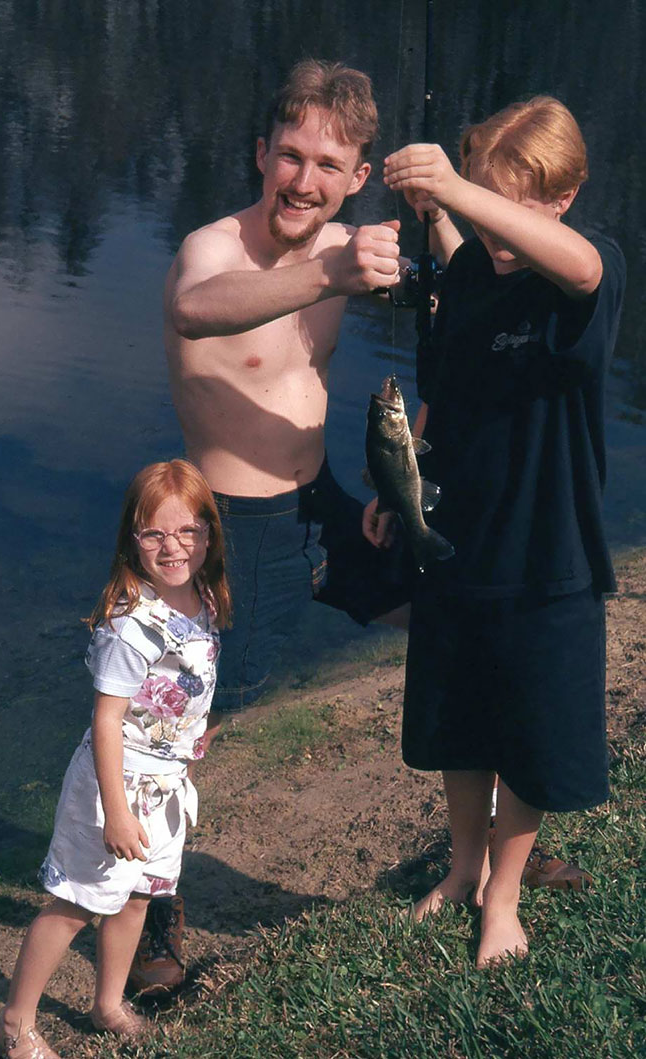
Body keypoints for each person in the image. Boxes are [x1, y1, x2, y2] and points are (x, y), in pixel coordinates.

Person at [376, 97, 625, 966]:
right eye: (486, 201)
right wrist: (399, 477)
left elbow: (586, 267)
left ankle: (505, 895)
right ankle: (463, 865)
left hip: (546, 553)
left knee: (526, 730)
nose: (497, 228)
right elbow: (447, 396)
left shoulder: (588, 275)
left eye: (516, 206)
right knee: (462, 720)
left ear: (566, 196)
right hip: (458, 542)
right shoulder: (470, 274)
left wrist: (458, 192)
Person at [163, 58, 436, 715]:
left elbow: (463, 295)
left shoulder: (346, 246)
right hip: (237, 524)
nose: (304, 183)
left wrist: (443, 212)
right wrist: (329, 276)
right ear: (262, 154)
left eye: (329, 166)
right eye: (290, 156)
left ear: (359, 177)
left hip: (326, 502)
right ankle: (135, 814)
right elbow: (194, 308)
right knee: (217, 708)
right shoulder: (212, 249)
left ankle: (481, 780)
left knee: (445, 606)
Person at [0, 460, 230, 1058]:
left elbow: (185, 686)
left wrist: (192, 741)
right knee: (75, 902)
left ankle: (107, 1003)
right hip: (115, 786)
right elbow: (106, 721)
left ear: (208, 534)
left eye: (188, 531)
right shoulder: (128, 628)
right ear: (132, 538)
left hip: (165, 784)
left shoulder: (203, 598)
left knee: (139, 896)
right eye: (154, 534)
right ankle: (14, 1025)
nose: (172, 546)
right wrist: (117, 813)